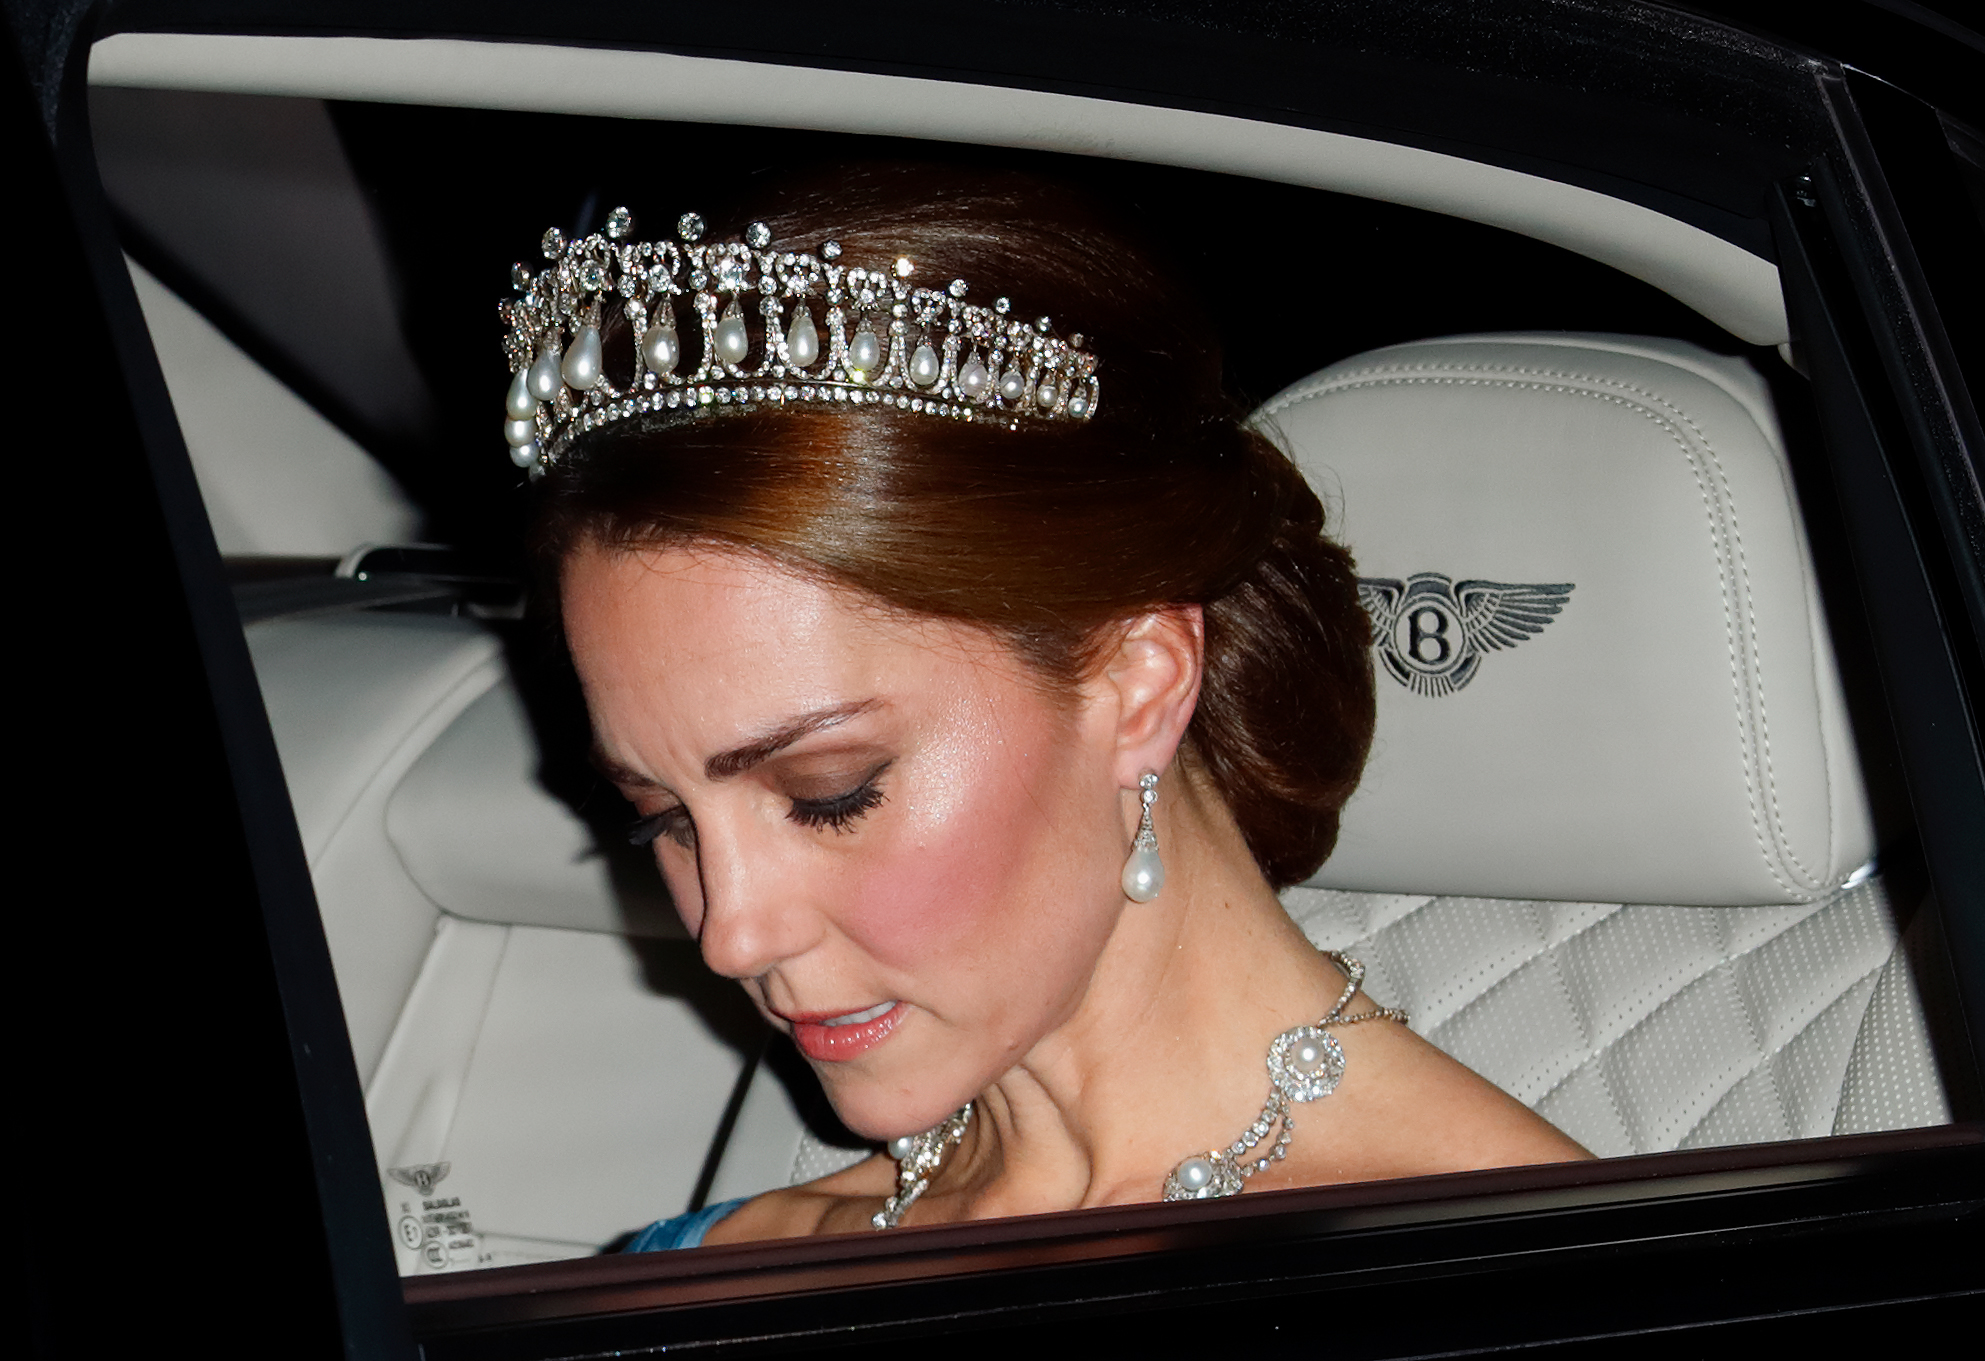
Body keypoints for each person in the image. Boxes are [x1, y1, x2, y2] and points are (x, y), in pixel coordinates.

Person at [499, 163, 1590, 1250]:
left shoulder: (1540, 1276)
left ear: (1139, 682)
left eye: (829, 793)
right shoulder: (701, 1265)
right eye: (664, 818)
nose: (730, 933)